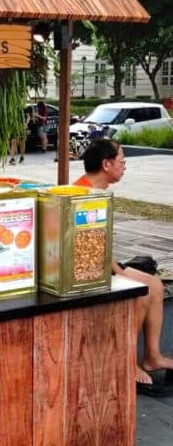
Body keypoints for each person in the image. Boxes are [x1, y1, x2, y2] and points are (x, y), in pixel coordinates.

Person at [75, 137, 173, 393]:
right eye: (122, 160)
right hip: (85, 271)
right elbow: (86, 248)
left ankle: (152, 357)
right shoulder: (85, 194)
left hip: (100, 262)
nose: (125, 166)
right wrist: (119, 271)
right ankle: (126, 362)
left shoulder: (97, 190)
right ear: (106, 164)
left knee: (155, 284)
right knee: (138, 293)